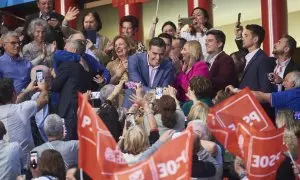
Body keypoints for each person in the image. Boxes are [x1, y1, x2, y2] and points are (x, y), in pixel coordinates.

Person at [0, 78, 48, 167]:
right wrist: (44, 88)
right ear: (14, 94)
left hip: (5, 166)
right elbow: (44, 99)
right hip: (28, 165)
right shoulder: (22, 109)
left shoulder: (19, 108)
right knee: (36, 155)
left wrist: (26, 91)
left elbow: (13, 103)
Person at [51, 39, 92, 140]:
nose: (64, 49)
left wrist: (54, 76)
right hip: (81, 110)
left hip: (68, 111)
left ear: (73, 51)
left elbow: (55, 86)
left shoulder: (68, 65)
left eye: (66, 48)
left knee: (67, 141)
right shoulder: (86, 67)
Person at [123, 37, 174, 108]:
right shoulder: (134, 59)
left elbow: (164, 90)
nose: (158, 57)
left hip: (155, 102)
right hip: (136, 95)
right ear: (148, 51)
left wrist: (149, 99)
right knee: (130, 88)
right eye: (155, 53)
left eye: (161, 54)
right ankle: (127, 116)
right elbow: (137, 85)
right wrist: (154, 92)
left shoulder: (168, 66)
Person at [227, 71, 300, 112]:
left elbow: (260, 96)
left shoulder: (290, 95)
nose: (283, 83)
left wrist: (235, 90)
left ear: (293, 83)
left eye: (286, 81)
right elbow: (297, 116)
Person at [205, 29, 239, 94]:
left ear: (220, 44)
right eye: (206, 41)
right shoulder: (209, 60)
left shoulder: (226, 59)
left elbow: (222, 82)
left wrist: (203, 80)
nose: (206, 43)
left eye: (210, 41)